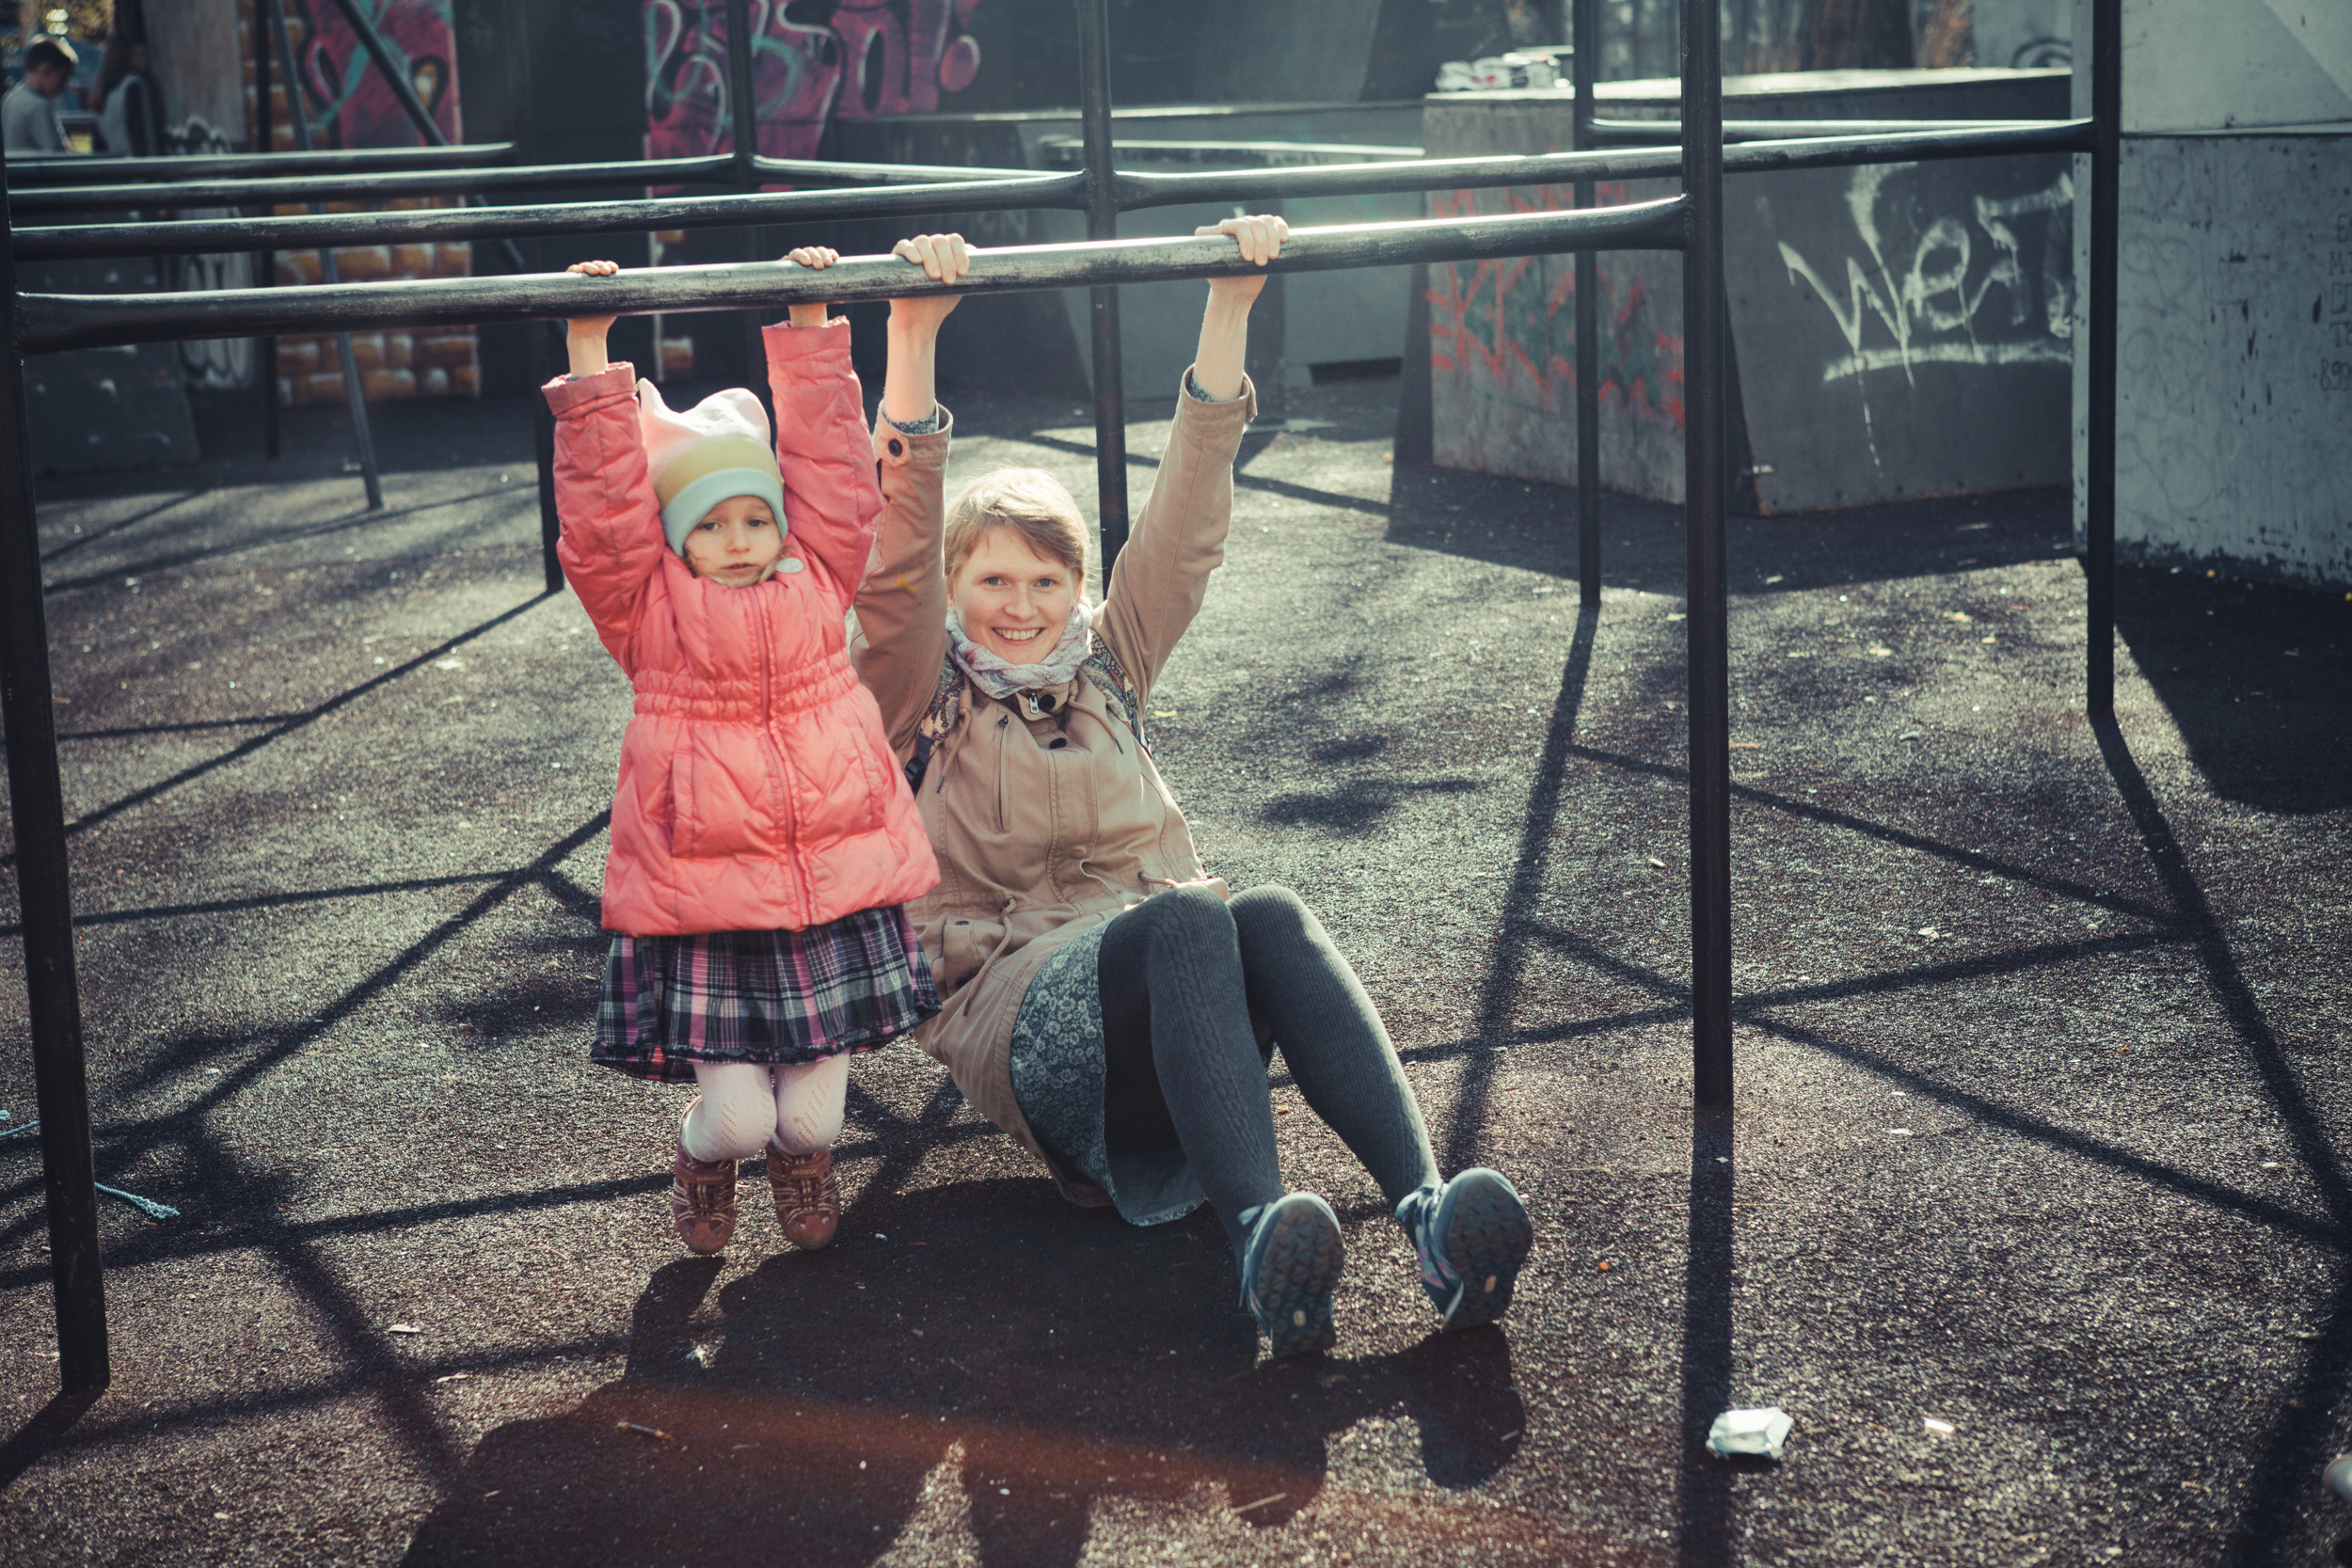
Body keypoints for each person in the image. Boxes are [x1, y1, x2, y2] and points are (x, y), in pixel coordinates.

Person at [852, 222, 1535, 1359]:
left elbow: (1182, 528)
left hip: (1179, 1004)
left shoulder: (1105, 664)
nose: (1018, 604)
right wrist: (913, 341)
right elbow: (893, 562)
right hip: (1030, 1025)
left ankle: (1427, 1215)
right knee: (1184, 915)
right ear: (953, 587)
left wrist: (1230, 304)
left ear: (1075, 586)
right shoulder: (920, 692)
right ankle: (1258, 1235)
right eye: (990, 580)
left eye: (1044, 578)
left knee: (1259, 909)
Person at [548, 247, 941, 1259]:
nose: (736, 537)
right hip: (710, 898)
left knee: (806, 1123)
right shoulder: (648, 610)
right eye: (709, 522)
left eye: (753, 516)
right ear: (676, 538)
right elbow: (601, 520)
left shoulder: (817, 577)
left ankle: (803, 1159)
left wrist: (809, 316)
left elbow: (839, 477)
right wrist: (592, 351)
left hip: (828, 890)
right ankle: (701, 1155)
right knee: (739, 1118)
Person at [4, 34, 79, 154]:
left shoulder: (11, 97)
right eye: (63, 77)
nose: (64, 85)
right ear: (46, 69)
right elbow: (59, 156)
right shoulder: (40, 106)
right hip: (33, 173)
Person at [93, 33, 165, 158]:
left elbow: (98, 146)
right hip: (138, 170)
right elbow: (147, 138)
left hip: (117, 170)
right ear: (134, 53)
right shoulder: (135, 85)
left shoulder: (104, 92)